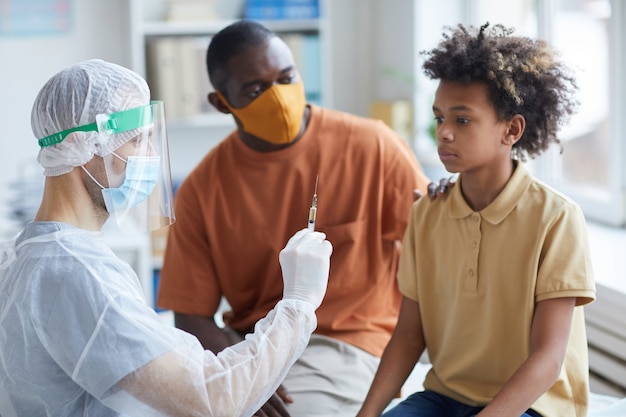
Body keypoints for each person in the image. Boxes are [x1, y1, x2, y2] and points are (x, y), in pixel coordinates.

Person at [0, 59, 333, 417]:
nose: (150, 156)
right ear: (87, 145)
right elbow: (212, 400)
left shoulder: (19, 256)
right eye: (138, 140)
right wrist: (298, 303)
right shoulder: (78, 273)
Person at [156, 19, 433, 417]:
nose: (279, 97)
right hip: (255, 340)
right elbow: (190, 314)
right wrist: (245, 369)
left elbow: (439, 246)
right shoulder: (204, 187)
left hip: (343, 342)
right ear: (221, 102)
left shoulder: (373, 146)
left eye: (287, 78)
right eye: (255, 90)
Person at [356, 22, 596, 417]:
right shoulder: (427, 213)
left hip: (533, 406)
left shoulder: (556, 219)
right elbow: (408, 335)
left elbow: (547, 359)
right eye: (439, 118)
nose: (444, 133)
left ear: (512, 130)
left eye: (462, 120)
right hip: (443, 398)